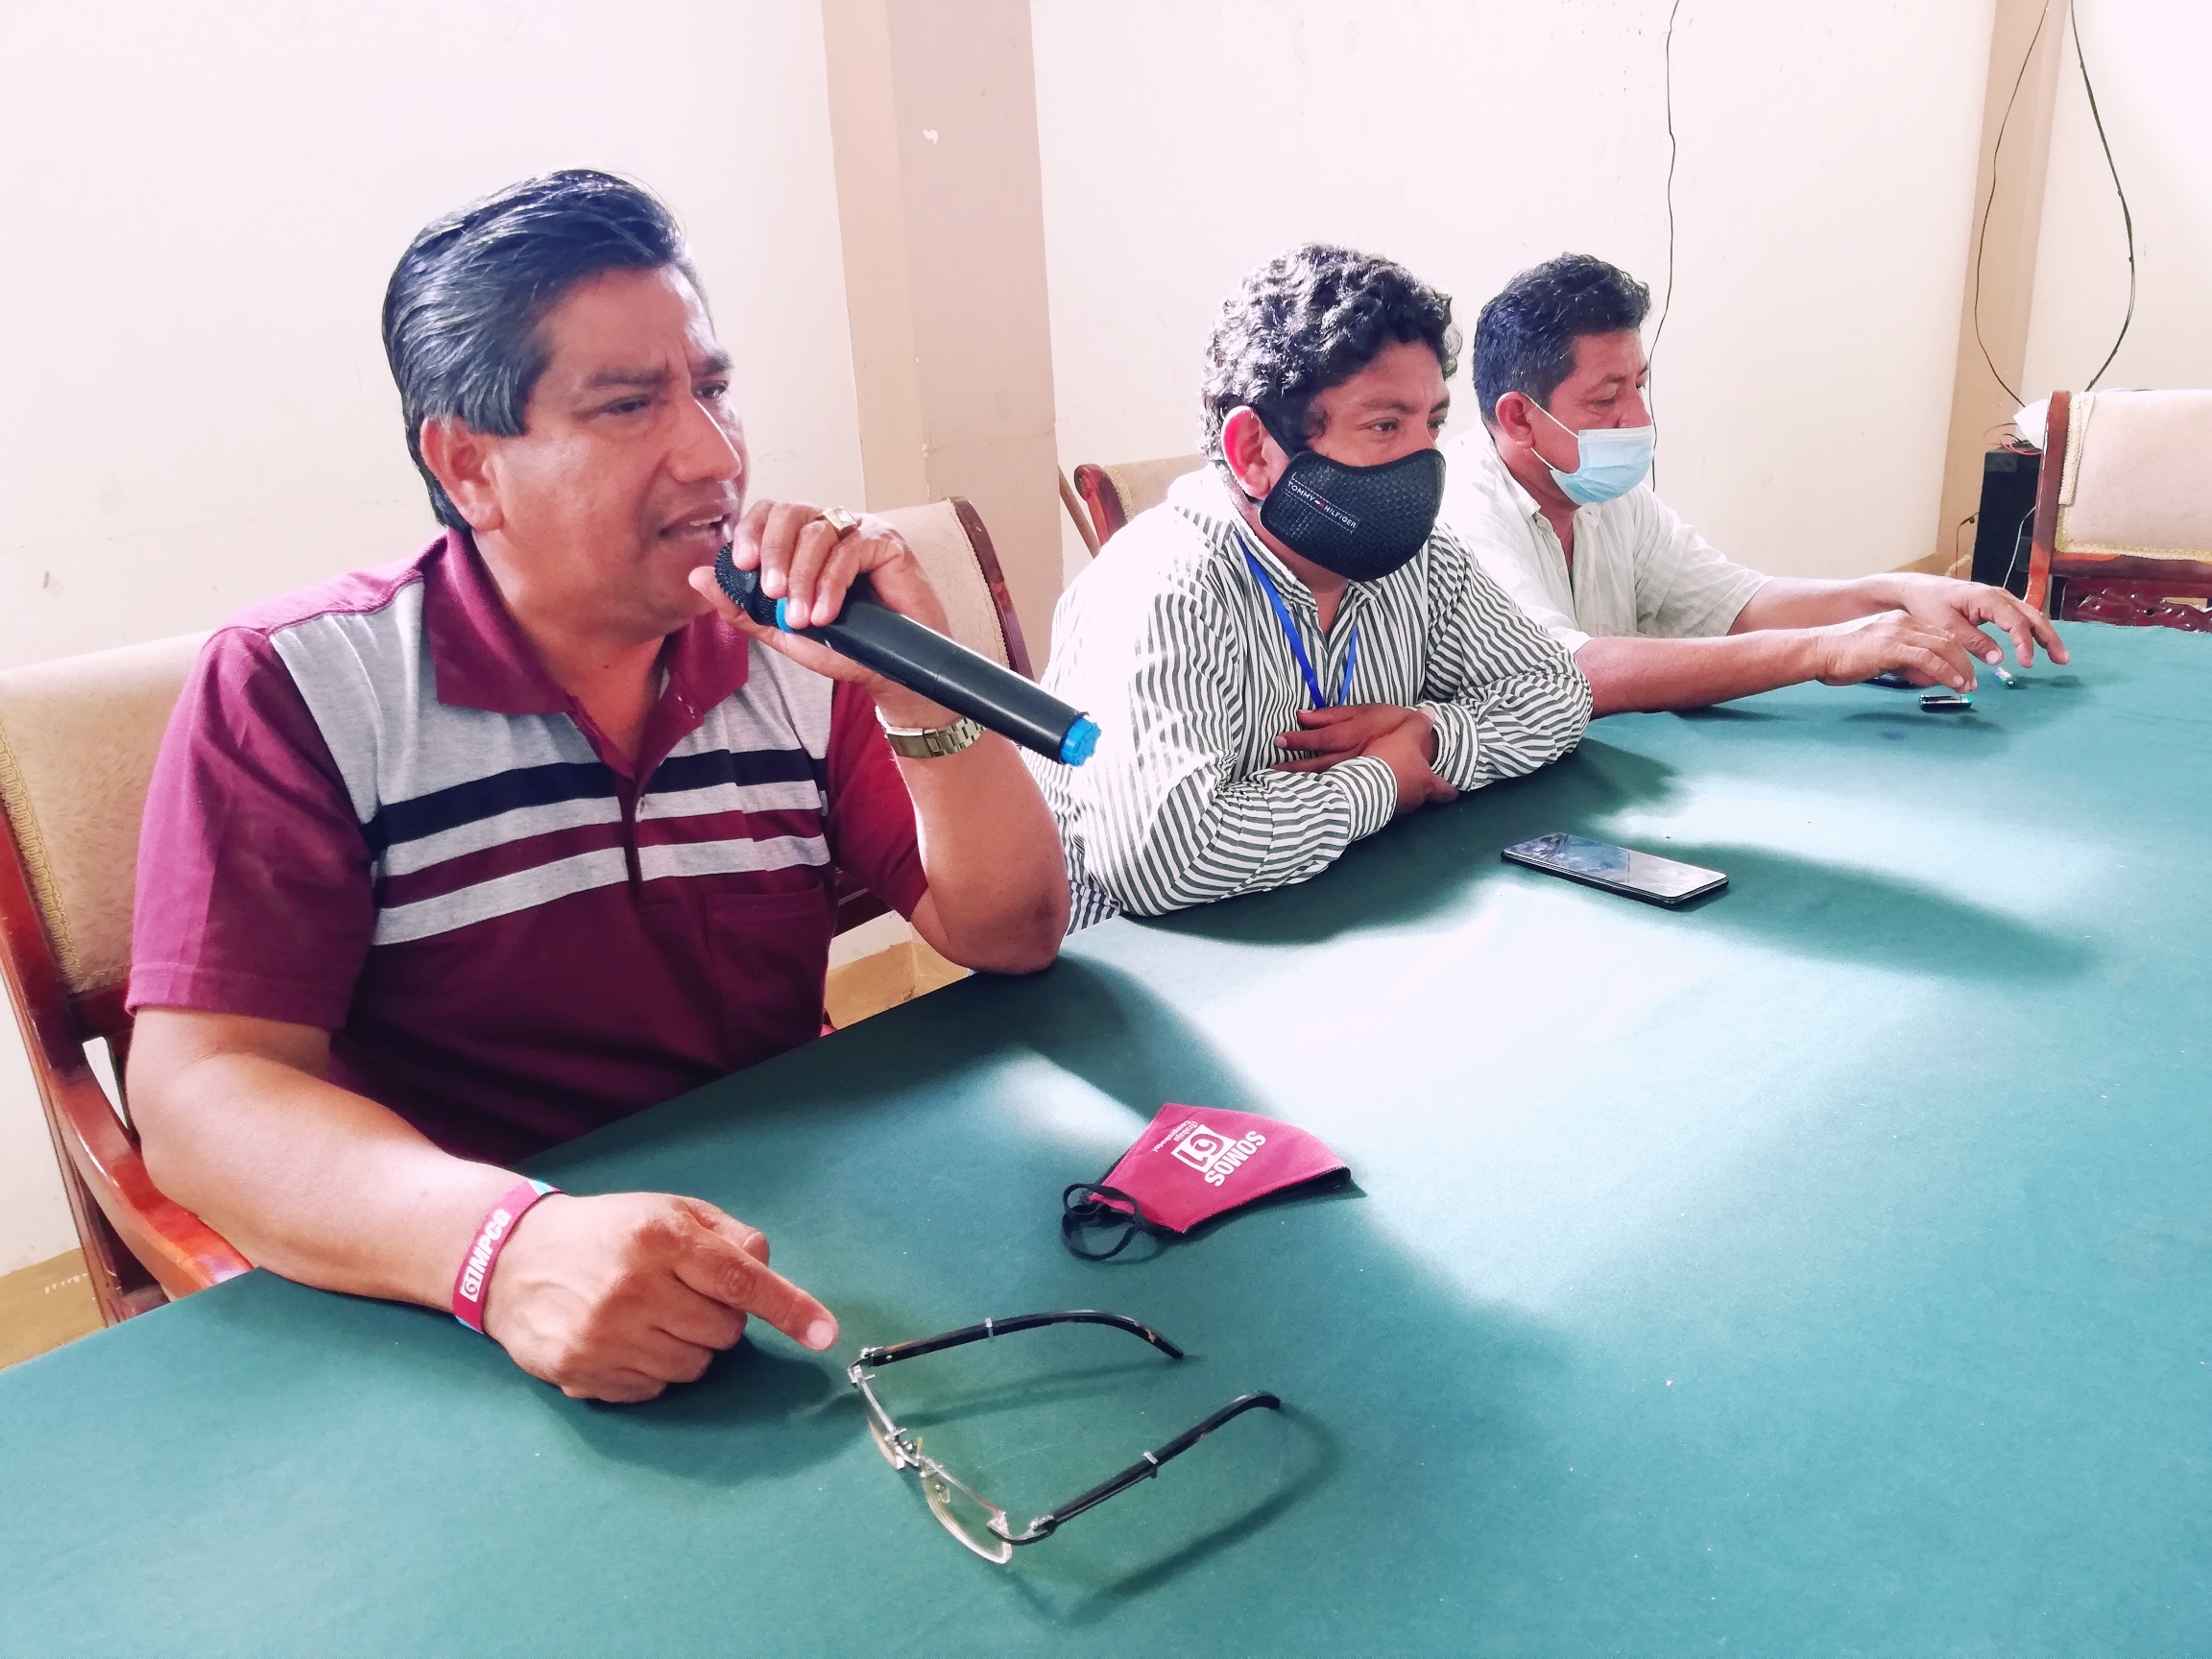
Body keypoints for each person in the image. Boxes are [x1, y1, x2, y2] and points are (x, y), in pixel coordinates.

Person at [126, 171, 1069, 1403]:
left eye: (713, 388)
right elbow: (199, 1093)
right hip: (474, 1296)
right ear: (469, 465)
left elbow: (1009, 933)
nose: (715, 454)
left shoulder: (788, 652)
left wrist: (919, 693)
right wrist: (503, 1247)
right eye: (629, 405)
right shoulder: (306, 685)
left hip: (794, 1239)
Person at [1029, 245, 1592, 928]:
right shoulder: (1160, 587)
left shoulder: (1417, 559)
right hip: (1155, 969)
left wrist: (1429, 735)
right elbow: (1160, 856)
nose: (1425, 460)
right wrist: (1381, 782)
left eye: (1433, 424)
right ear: (1254, 452)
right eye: (1385, 425)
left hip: (1346, 918)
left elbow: (1558, 692)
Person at [1439, 253, 2066, 713]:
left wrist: (1898, 594)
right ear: (1518, 418)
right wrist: (1824, 650)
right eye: (1607, 398)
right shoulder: (1462, 513)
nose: (1638, 418)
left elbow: (1735, 604)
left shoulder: (1603, 494)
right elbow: (1572, 672)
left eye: (1639, 386)